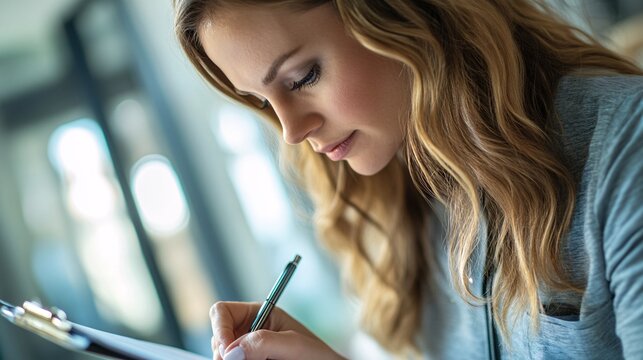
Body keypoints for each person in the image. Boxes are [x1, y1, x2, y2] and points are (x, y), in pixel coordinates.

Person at [172, 0, 643, 359]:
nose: (292, 131)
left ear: (396, 14)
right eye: (261, 101)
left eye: (301, 77)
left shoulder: (625, 143)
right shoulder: (403, 206)